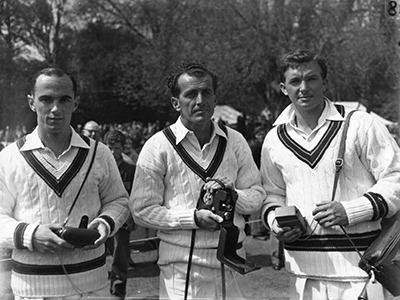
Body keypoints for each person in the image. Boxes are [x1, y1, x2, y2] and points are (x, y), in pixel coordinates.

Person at [260, 49, 400, 300]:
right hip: (303, 275)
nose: (304, 87)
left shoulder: (359, 123)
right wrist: (277, 225)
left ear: (324, 81)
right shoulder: (274, 139)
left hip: (359, 271)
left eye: (311, 79)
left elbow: (395, 177)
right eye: (295, 81)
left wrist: (351, 211)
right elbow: (272, 195)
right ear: (283, 87)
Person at [130, 62, 265, 299]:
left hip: (233, 261)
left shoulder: (235, 141)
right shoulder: (157, 146)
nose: (200, 100)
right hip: (182, 269)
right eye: (191, 94)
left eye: (207, 92)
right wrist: (192, 218)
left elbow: (256, 195)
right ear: (176, 102)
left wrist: (235, 196)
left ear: (215, 98)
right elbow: (141, 210)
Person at [0, 67, 129, 299]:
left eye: (64, 100)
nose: (55, 109)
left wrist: (105, 224)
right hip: (33, 290)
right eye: (46, 100)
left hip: (92, 286)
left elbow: (119, 201)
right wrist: (30, 234)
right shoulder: (9, 157)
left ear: (75, 103)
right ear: (32, 102)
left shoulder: (99, 153)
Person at [103, 129, 136, 299]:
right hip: (101, 218)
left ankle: (118, 290)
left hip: (123, 219)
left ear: (122, 148)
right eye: (110, 147)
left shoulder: (130, 169)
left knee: (120, 254)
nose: (113, 152)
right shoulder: (100, 167)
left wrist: (131, 216)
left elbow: (134, 196)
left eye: (116, 148)